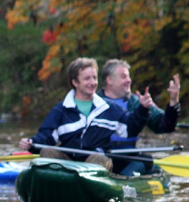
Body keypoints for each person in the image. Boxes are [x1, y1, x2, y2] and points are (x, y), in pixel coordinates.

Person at [19, 57, 152, 173]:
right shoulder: (61, 110)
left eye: (94, 78)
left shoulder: (109, 108)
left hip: (96, 160)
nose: (93, 83)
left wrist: (143, 109)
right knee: (47, 152)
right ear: (75, 82)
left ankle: (87, 189)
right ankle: (56, 185)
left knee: (99, 158)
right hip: (69, 161)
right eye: (87, 78)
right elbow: (46, 136)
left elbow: (130, 128)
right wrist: (32, 143)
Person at [97, 59, 181, 175]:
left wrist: (173, 101)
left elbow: (165, 125)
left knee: (147, 161)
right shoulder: (94, 102)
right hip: (100, 157)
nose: (129, 80)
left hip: (128, 158)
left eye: (128, 77)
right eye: (123, 77)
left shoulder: (137, 103)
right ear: (109, 80)